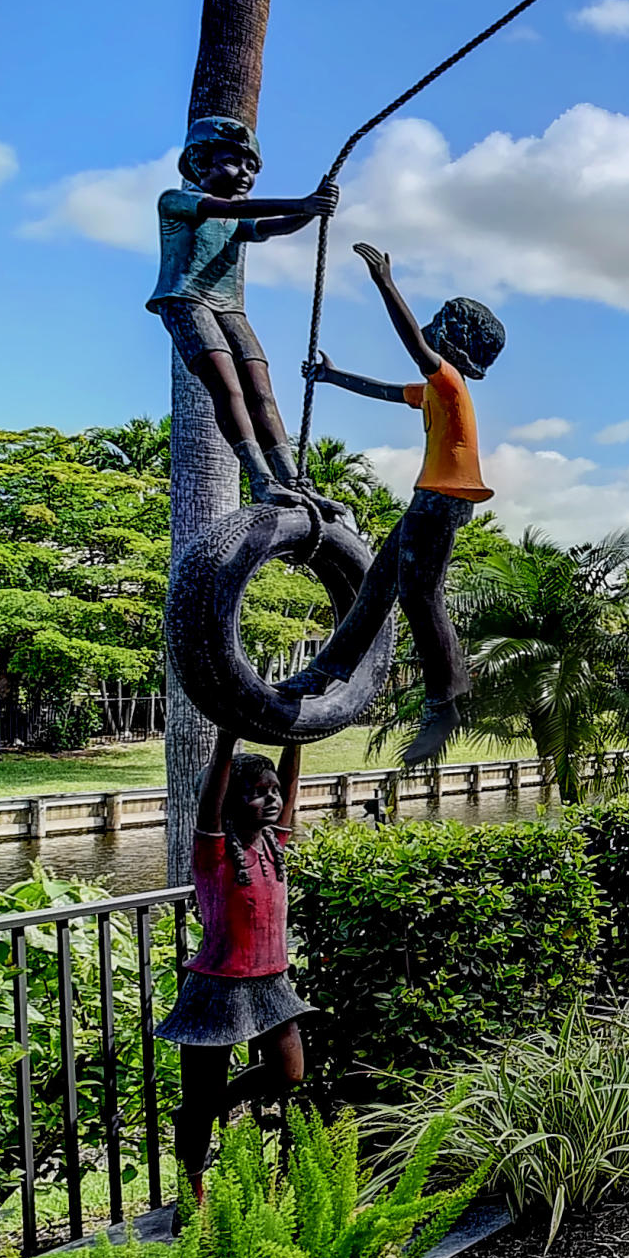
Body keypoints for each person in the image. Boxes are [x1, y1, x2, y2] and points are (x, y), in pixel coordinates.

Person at [296, 243, 500, 763]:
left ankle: (448, 702)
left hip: (442, 499)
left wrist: (386, 283)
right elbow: (387, 391)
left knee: (419, 596)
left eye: (438, 321)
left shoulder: (448, 381)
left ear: (453, 339)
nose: (429, 327)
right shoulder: (435, 389)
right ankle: (327, 670)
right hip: (429, 499)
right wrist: (331, 376)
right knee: (379, 587)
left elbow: (412, 345)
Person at [148, 116, 345, 517]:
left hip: (228, 307)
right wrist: (303, 202)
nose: (244, 175)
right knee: (228, 388)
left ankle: (293, 480)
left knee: (260, 390)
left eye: (252, 168)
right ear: (201, 163)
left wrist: (312, 210)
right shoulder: (178, 200)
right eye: (231, 163)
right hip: (186, 301)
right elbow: (229, 207)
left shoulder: (234, 220)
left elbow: (273, 226)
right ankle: (260, 478)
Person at [159, 732, 309, 1186]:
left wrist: (297, 733)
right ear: (229, 801)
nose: (270, 800)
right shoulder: (215, 851)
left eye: (272, 793)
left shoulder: (272, 844)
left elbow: (290, 782)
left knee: (290, 1073)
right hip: (218, 988)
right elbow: (211, 800)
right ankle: (192, 1193)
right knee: (201, 1106)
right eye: (255, 793)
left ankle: (205, 1107)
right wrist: (226, 736)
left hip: (270, 983)